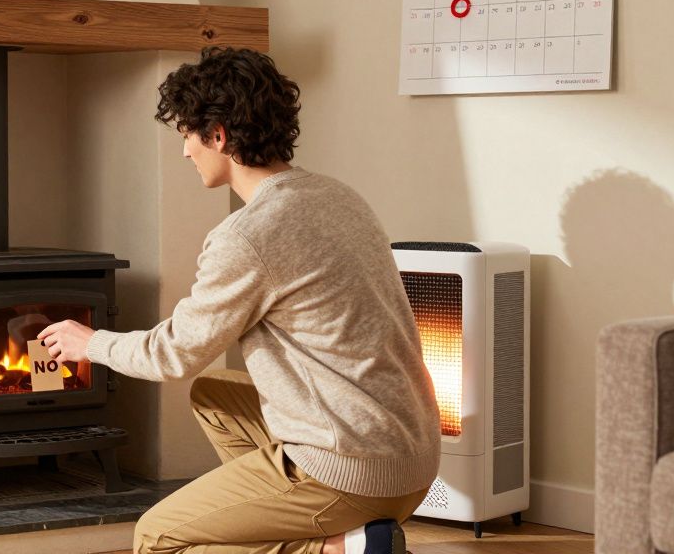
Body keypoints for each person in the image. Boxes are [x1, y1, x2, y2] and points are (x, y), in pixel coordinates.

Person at [38, 47, 441, 554]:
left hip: (353, 469)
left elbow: (175, 354)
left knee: (157, 537)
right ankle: (309, 521)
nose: (185, 151)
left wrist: (92, 343)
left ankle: (339, 548)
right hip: (412, 456)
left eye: (187, 134)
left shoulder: (248, 236)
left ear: (218, 135)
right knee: (215, 396)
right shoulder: (339, 197)